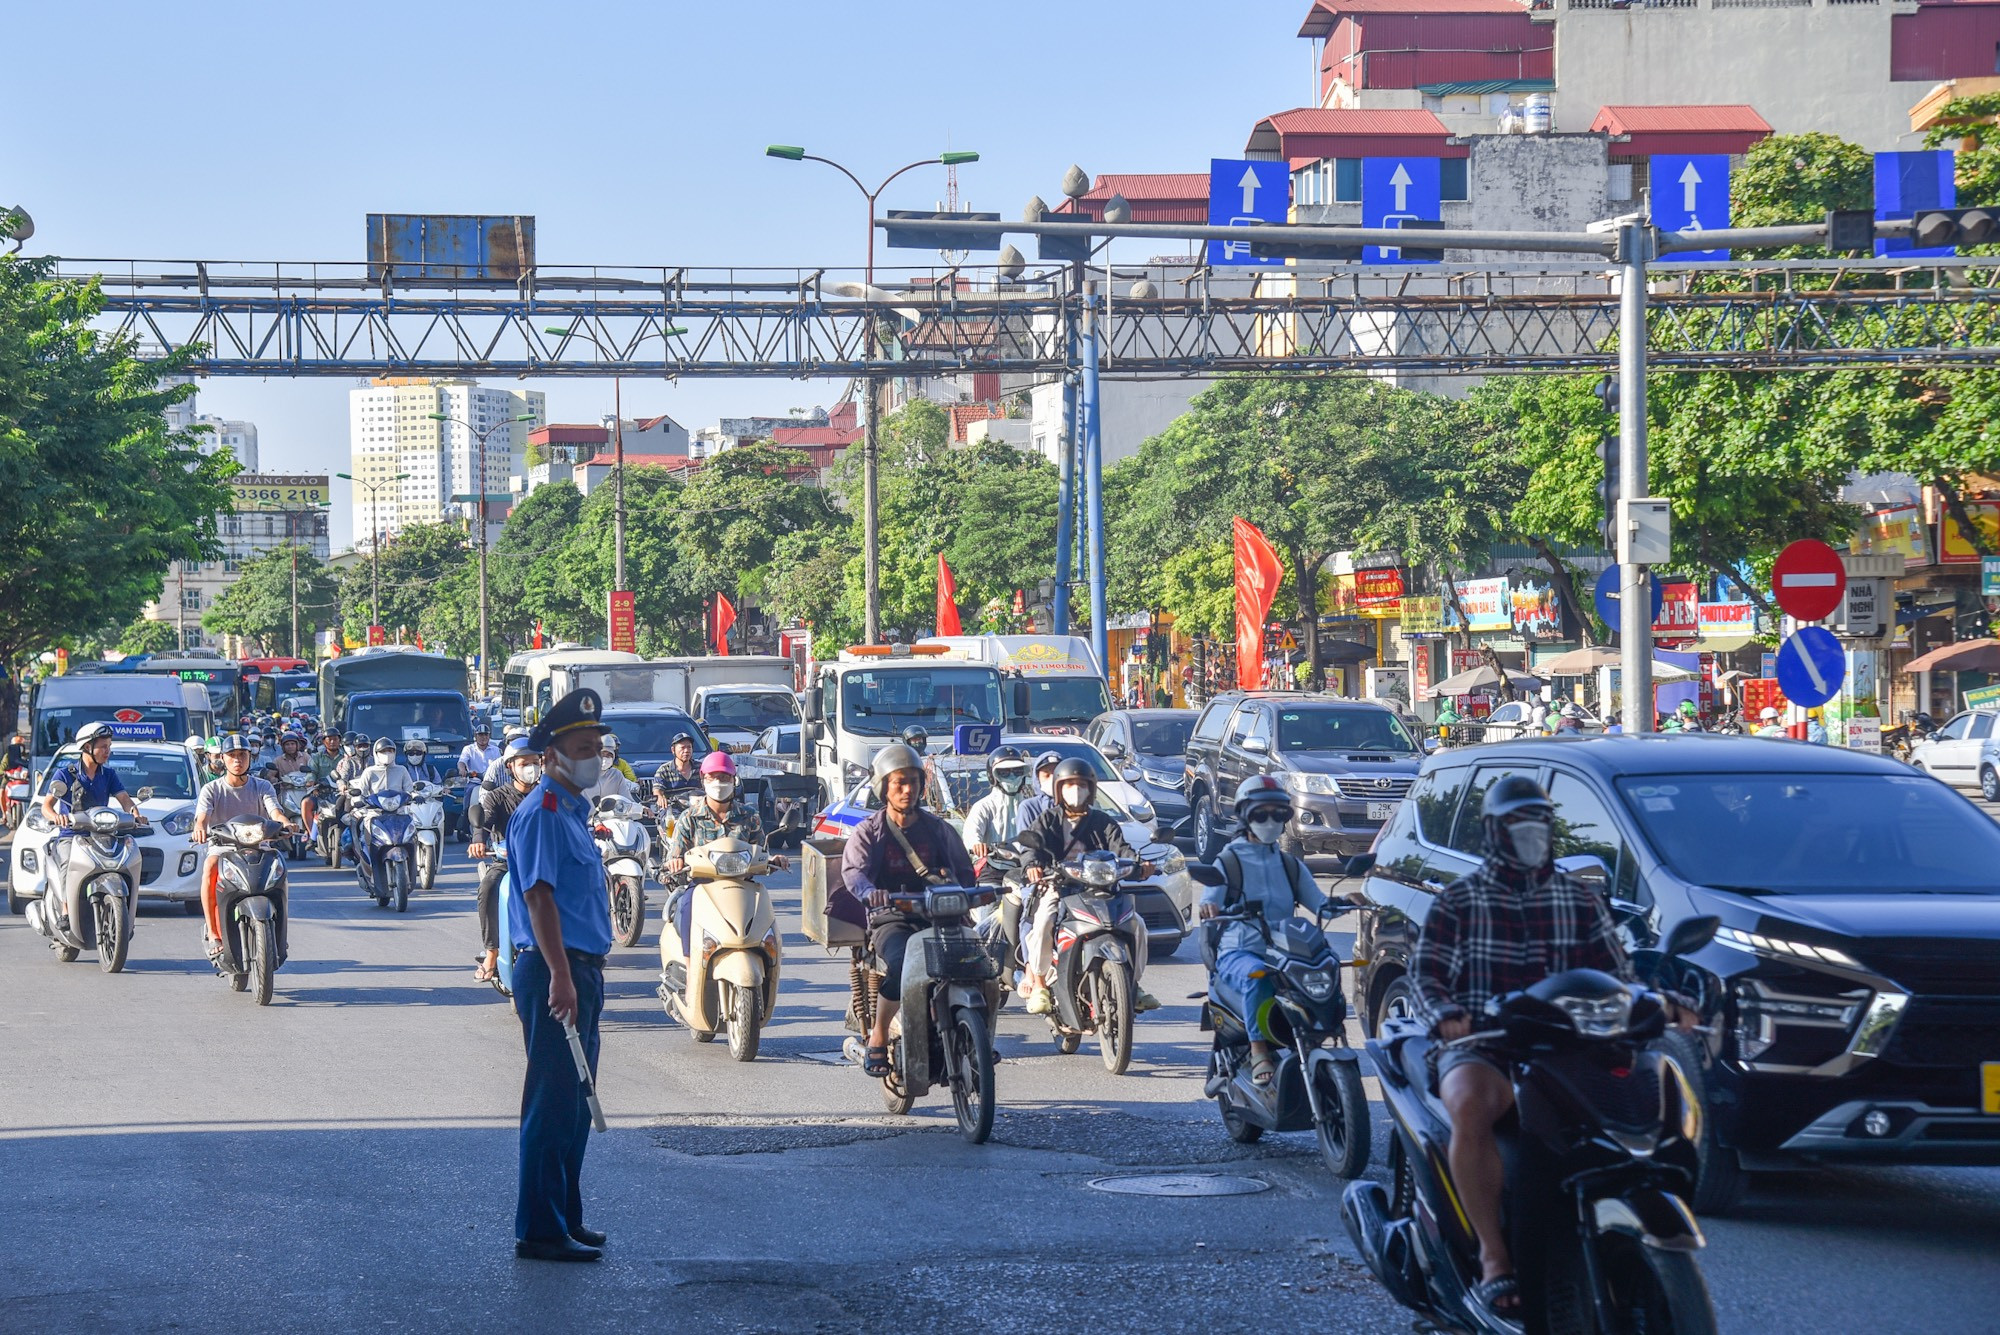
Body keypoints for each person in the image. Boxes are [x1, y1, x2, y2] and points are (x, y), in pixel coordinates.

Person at [1408, 774, 1680, 1316]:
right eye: (1516, 822)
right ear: (1493, 831)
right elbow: (1425, 975)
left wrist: (1660, 1002)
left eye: (1538, 820)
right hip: (1488, 1045)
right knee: (1469, 1103)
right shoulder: (1460, 899)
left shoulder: (1578, 898)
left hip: (1567, 1045)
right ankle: (1494, 1255)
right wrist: (1447, 1016)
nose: (1529, 830)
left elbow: (1615, 974)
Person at [504, 687, 616, 1262]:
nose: (594, 755)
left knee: (577, 1100)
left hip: (580, 968)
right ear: (551, 756)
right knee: (551, 1102)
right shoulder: (544, 812)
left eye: (598, 745)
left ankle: (565, 1216)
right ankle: (540, 1230)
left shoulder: (574, 810)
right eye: (582, 746)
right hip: (556, 969)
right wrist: (560, 976)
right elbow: (539, 898)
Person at [840, 743, 976, 1079]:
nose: (907, 789)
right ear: (883, 786)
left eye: (913, 781)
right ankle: (879, 1034)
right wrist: (870, 893)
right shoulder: (870, 831)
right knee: (903, 966)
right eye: (899, 782)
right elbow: (853, 872)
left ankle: (979, 1037)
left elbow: (965, 870)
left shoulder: (938, 829)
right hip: (893, 920)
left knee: (978, 965)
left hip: (940, 916)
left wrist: (973, 893)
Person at [1198, 775, 1331, 1089]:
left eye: (1278, 814)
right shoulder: (1228, 860)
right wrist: (1210, 909)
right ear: (1246, 817)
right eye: (1261, 814)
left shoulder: (1290, 864)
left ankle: (1320, 1037)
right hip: (1238, 953)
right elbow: (1209, 899)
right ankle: (1259, 1051)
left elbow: (1319, 903)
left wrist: (1350, 901)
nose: (1270, 821)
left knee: (1326, 965)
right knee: (1257, 975)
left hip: (1285, 951)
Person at [1015, 758, 1159, 1015]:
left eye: (1081, 784)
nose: (1076, 789)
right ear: (1059, 788)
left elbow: (1122, 849)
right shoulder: (1048, 820)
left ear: (1091, 788)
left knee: (1137, 925)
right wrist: (1033, 865)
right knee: (1043, 922)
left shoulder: (1103, 822)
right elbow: (1030, 848)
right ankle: (1038, 985)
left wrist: (1141, 865)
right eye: (1069, 784)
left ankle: (1133, 985)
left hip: (1101, 891)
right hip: (1059, 888)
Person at [661, 752, 787, 955]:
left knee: (766, 928)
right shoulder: (689, 818)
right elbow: (675, 855)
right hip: (703, 887)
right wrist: (675, 862)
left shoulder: (749, 816)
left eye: (724, 777)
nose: (718, 782)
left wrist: (774, 861)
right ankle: (691, 969)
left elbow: (762, 854)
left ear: (733, 780)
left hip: (743, 888)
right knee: (685, 910)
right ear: (703, 780)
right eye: (712, 777)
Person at [190, 734, 292, 965]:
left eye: (242, 755)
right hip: (223, 846)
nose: (238, 760)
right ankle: (214, 932)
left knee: (280, 870)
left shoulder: (263, 786)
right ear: (223, 759)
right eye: (232, 756)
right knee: (209, 867)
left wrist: (285, 823)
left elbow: (274, 810)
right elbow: (202, 816)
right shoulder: (212, 789)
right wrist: (200, 828)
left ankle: (280, 934)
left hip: (259, 845)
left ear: (250, 758)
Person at [33, 722, 150, 903]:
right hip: (71, 836)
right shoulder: (65, 774)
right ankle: (65, 909)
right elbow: (46, 806)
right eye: (103, 747)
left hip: (101, 836)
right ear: (87, 747)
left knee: (123, 861)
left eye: (109, 746)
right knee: (67, 864)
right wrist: (57, 817)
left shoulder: (109, 775)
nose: (107, 751)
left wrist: (135, 814)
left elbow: (125, 800)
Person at [469, 738, 540, 985]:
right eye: (524, 763)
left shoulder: (547, 796)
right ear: (511, 766)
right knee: (488, 889)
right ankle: (491, 952)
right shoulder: (497, 797)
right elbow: (484, 821)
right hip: (508, 862)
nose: (531, 768)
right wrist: (478, 840)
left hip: (544, 863)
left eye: (535, 762)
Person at [651, 734, 703, 812]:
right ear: (673, 750)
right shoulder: (664, 770)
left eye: (689, 747)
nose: (686, 751)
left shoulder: (701, 768)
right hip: (673, 811)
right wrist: (660, 797)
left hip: (697, 809)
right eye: (682, 748)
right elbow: (657, 790)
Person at [1014, 749, 1064, 829]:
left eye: (1056, 774)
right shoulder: (1029, 808)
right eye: (1046, 775)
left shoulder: (1074, 805)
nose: (1052, 779)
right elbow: (1025, 839)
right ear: (1037, 778)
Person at [584, 734, 640, 803]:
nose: (605, 758)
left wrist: (640, 808)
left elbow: (627, 800)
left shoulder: (616, 775)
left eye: (609, 755)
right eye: (602, 754)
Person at [483, 725, 531, 790]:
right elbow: (484, 794)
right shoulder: (497, 765)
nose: (518, 747)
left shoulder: (535, 763)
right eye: (513, 743)